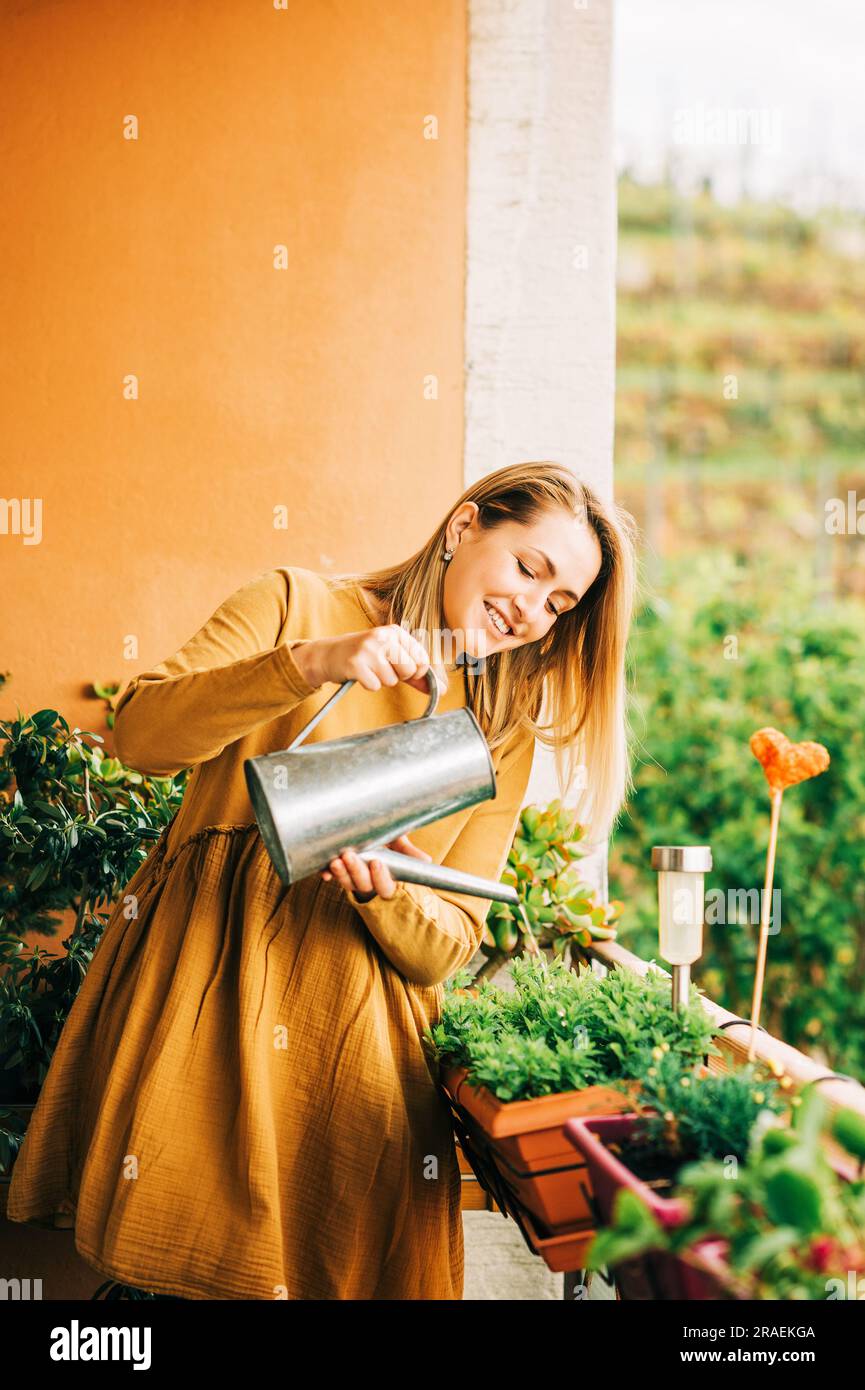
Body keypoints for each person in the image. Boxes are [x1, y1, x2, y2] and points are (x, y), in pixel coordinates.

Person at [6, 460, 637, 1299]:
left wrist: (388, 892)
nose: (531, 611)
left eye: (558, 606)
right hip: (206, 1005)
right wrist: (308, 664)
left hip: (352, 1065)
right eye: (530, 569)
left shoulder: (501, 728)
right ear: (462, 529)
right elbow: (142, 738)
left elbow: (445, 945)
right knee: (163, 1281)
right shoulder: (295, 606)